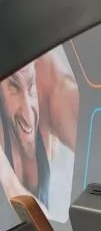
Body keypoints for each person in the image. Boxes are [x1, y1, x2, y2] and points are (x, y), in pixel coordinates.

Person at [0, 46, 79, 218]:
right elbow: (8, 186)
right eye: (14, 87)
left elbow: (98, 144)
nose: (28, 115)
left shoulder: (48, 80)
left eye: (31, 86)